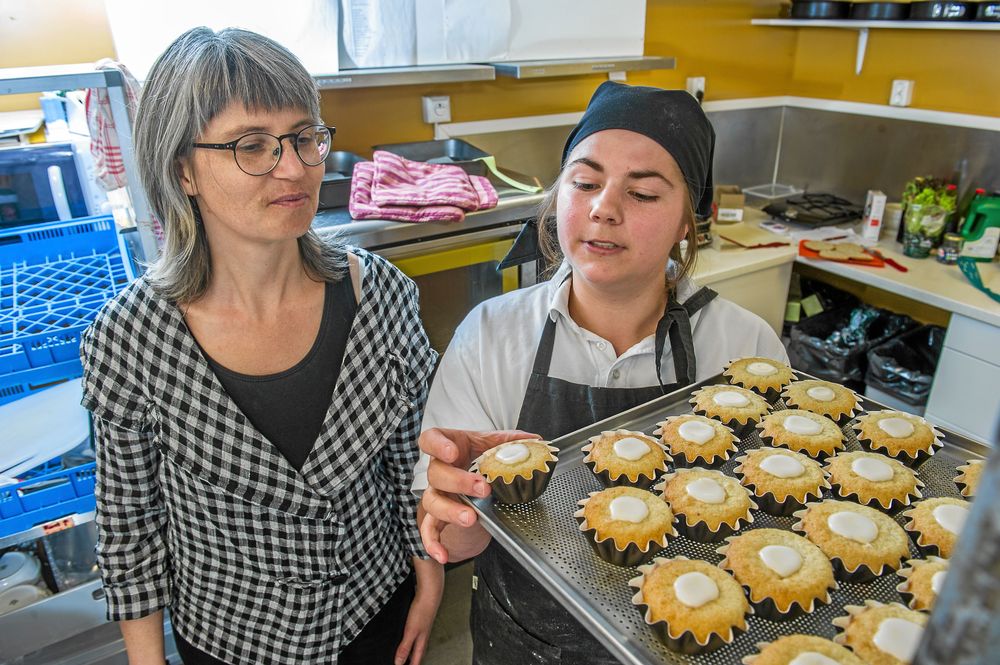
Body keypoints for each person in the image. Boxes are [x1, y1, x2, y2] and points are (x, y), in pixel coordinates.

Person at [80, 27, 442, 665]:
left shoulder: (380, 296)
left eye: (305, 137)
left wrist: (429, 581)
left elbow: (414, 465)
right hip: (232, 641)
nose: (296, 167)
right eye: (252, 145)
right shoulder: (129, 340)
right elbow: (131, 532)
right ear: (183, 170)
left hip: (377, 615)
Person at [414, 81, 788, 664]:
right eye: (584, 183)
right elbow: (459, 544)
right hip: (524, 644)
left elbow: (766, 523)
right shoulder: (491, 336)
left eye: (641, 193)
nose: (602, 208)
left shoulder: (743, 348)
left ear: (689, 221)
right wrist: (462, 502)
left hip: (688, 641)